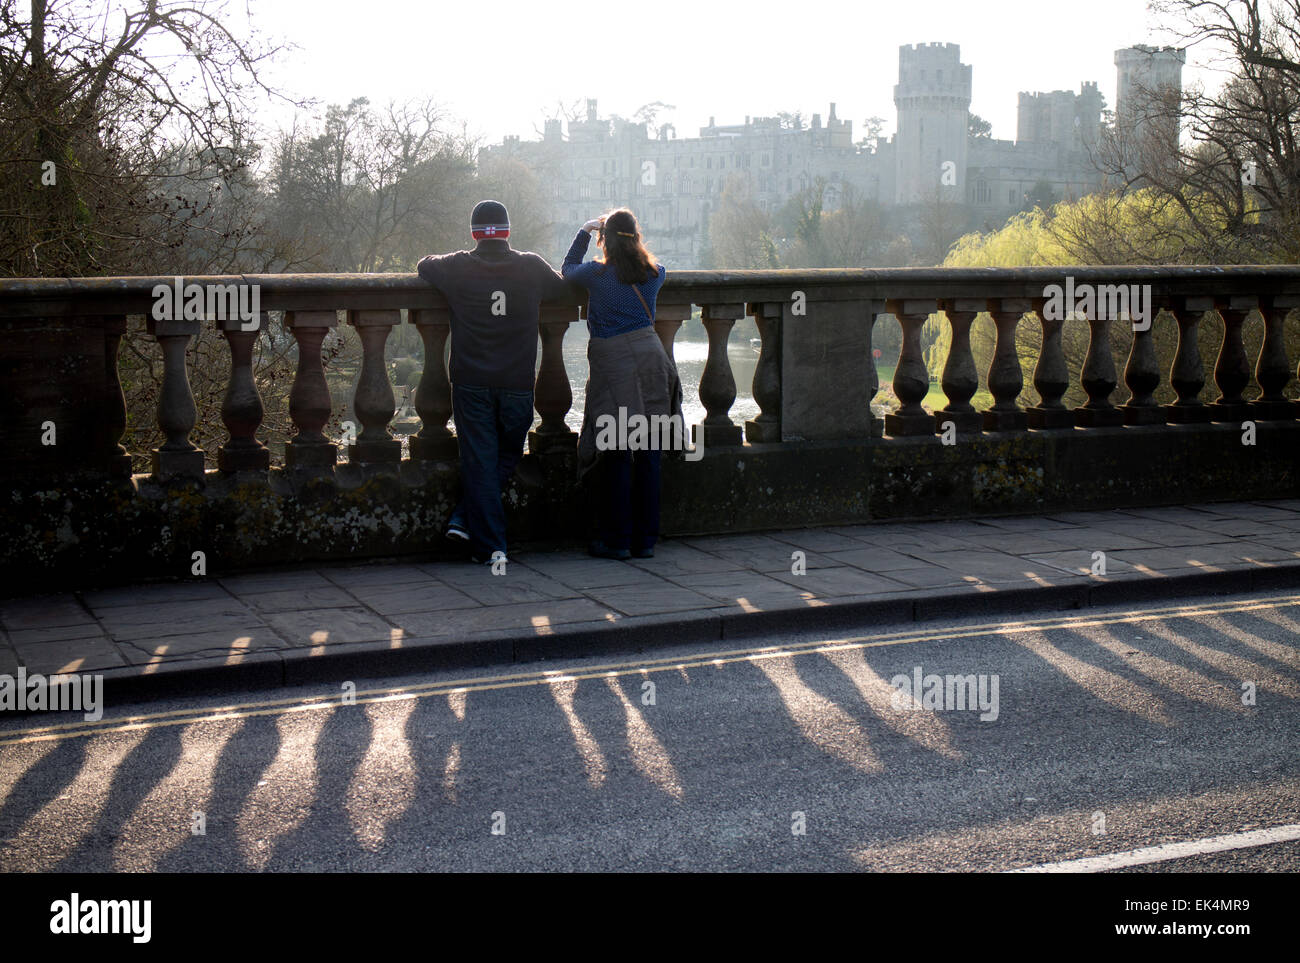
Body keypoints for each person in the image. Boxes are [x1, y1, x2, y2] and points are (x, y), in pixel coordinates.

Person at [417, 200, 570, 565]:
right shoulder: (531, 266)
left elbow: (423, 265)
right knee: (507, 455)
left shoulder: (457, 266)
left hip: (472, 380)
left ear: (474, 233)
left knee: (480, 461)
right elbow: (563, 289)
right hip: (517, 381)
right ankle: (484, 538)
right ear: (507, 232)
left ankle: (476, 533)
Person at [564, 207, 681, 560]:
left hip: (614, 366)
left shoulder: (596, 276)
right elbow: (661, 268)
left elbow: (567, 269)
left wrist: (585, 231)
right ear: (637, 238)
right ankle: (644, 540)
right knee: (648, 453)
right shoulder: (654, 275)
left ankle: (617, 541)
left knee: (616, 453)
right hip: (653, 363)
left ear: (605, 240)